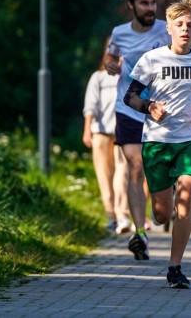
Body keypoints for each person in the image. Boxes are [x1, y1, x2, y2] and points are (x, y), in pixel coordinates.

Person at [124, 0, 191, 289]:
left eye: (190, 25)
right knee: (163, 213)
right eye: (179, 24)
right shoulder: (152, 59)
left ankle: (175, 267)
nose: (184, 29)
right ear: (168, 28)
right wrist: (149, 106)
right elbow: (130, 96)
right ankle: (155, 217)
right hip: (157, 141)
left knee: (187, 196)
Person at [105, 0, 171, 261]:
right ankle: (139, 232)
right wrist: (111, 65)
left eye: (153, 3)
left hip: (160, 112)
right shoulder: (119, 33)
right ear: (131, 4)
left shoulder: (165, 29)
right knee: (134, 166)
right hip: (129, 109)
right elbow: (110, 56)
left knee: (157, 172)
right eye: (144, 3)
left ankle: (157, 212)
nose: (150, 9)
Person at [82, 37, 130, 235]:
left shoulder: (128, 77)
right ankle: (110, 215)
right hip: (101, 132)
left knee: (123, 172)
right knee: (104, 176)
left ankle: (122, 215)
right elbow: (90, 105)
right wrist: (87, 129)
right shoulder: (98, 77)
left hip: (122, 131)